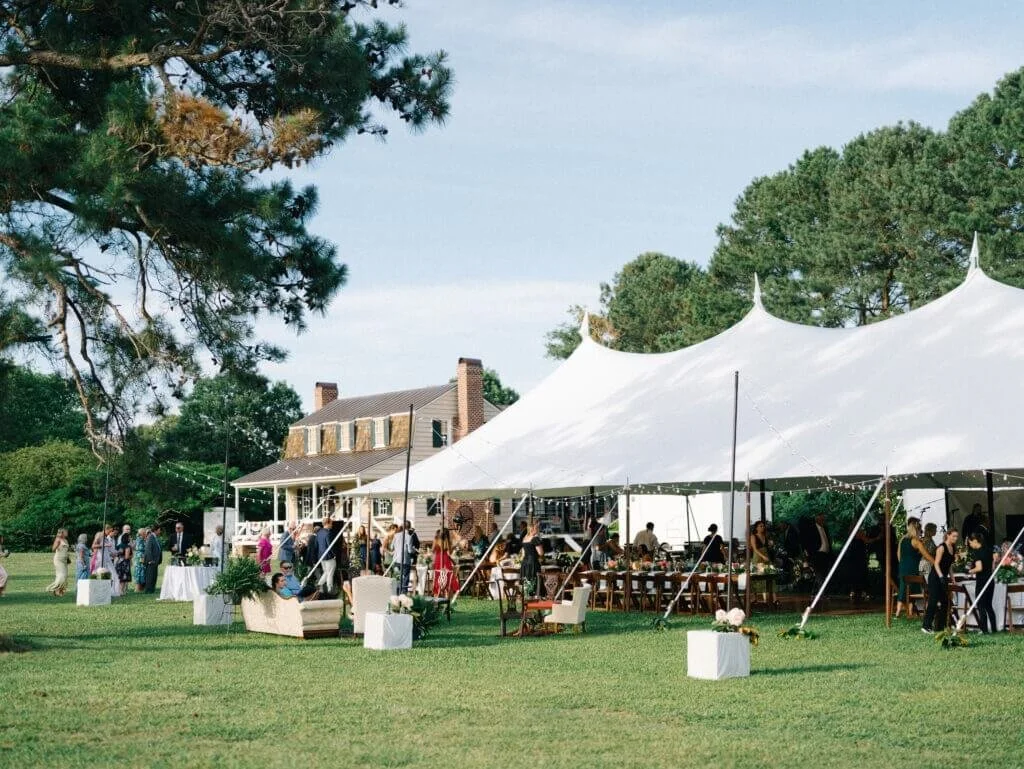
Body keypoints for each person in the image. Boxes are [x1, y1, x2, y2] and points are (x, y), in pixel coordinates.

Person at [922, 528, 959, 634]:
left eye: (957, 536)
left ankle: (940, 626)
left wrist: (953, 579)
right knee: (933, 601)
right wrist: (941, 576)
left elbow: (949, 565)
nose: (955, 538)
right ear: (948, 535)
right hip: (935, 577)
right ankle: (926, 626)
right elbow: (936, 563)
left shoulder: (952, 548)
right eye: (954, 536)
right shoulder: (941, 547)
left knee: (945, 602)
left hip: (943, 576)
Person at [894, 518, 931, 619]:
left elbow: (898, 554)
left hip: (903, 566)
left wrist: (902, 563)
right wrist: (934, 562)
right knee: (912, 589)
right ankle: (908, 612)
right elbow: (926, 555)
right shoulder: (916, 541)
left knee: (903, 588)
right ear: (917, 530)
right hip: (913, 567)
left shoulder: (902, 540)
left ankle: (899, 612)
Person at [966, 532, 997, 633]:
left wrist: (969, 571)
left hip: (982, 580)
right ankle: (994, 628)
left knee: (981, 605)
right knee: (988, 605)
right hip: (990, 580)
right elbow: (993, 566)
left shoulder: (977, 552)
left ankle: (984, 630)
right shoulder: (989, 550)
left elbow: (979, 568)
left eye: (970, 543)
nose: (970, 545)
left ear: (975, 541)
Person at [432, 529, 461, 598]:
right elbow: (449, 553)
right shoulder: (447, 543)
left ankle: (436, 598)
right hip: (445, 561)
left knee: (437, 580)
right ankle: (448, 600)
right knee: (449, 581)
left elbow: (433, 551)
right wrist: (454, 545)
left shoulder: (436, 541)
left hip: (438, 561)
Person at [519, 521, 544, 596]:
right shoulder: (535, 539)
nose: (538, 530)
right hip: (533, 562)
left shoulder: (524, 539)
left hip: (525, 562)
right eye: (537, 528)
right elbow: (541, 553)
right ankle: (535, 594)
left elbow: (523, 553)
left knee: (526, 578)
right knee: (534, 578)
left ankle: (527, 594)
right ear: (533, 529)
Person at [46, 528, 71, 596]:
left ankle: (59, 591)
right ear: (62, 533)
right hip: (58, 559)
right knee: (61, 576)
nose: (67, 533)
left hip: (65, 560)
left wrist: (68, 558)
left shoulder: (65, 540)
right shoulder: (58, 539)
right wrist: (58, 545)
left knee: (65, 576)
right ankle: (52, 588)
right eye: (66, 532)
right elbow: (53, 549)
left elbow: (66, 550)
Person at [143, 526, 162, 594]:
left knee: (154, 575)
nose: (160, 532)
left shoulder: (155, 537)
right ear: (156, 530)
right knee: (150, 576)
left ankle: (152, 589)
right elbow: (148, 549)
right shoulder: (150, 537)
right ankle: (148, 590)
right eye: (159, 530)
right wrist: (150, 560)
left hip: (155, 560)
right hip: (151, 561)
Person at [115, 527, 133, 594]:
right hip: (125, 563)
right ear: (127, 538)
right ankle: (121, 591)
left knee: (119, 577)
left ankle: (118, 590)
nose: (130, 539)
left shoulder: (119, 545)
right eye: (129, 538)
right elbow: (127, 556)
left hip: (118, 562)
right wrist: (132, 555)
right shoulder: (127, 547)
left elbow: (117, 554)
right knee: (124, 578)